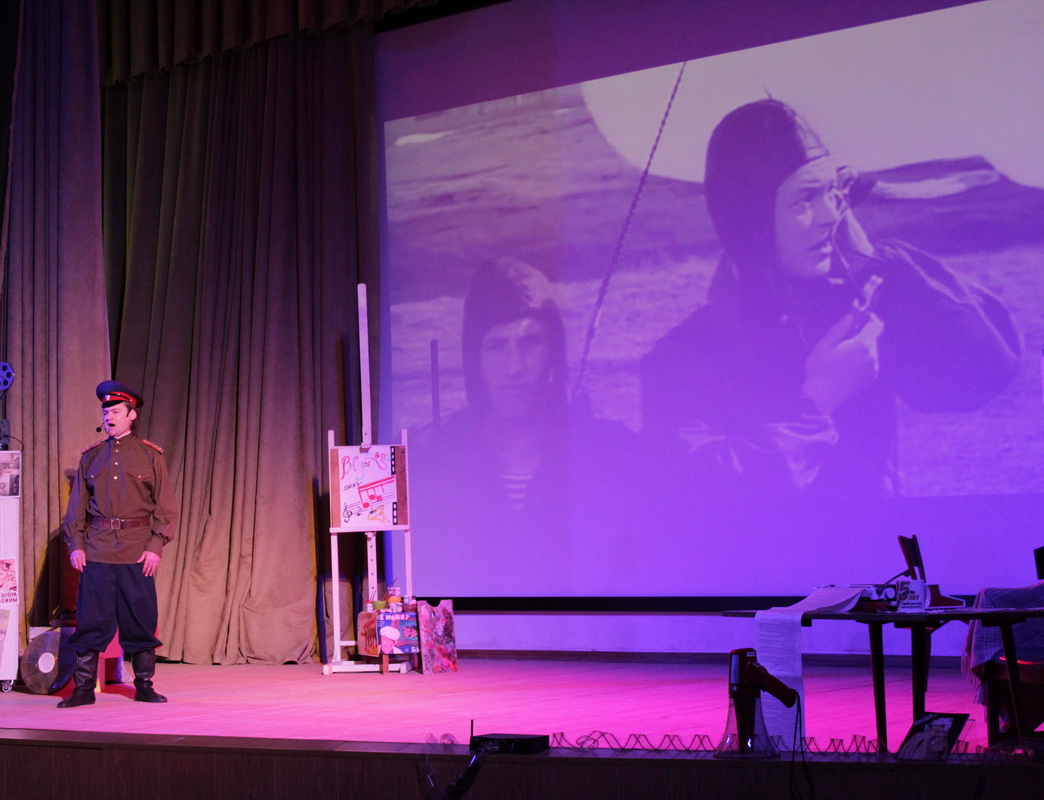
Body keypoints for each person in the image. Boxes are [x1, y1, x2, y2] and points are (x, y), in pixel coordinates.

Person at [638, 99, 1020, 501]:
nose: (829, 215)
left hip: (882, 542)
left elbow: (982, 374)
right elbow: (701, 498)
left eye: (833, 193)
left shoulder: (850, 317)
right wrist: (817, 402)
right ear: (751, 220)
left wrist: (876, 262)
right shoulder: (683, 357)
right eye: (805, 199)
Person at [414, 258, 645, 586]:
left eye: (530, 343)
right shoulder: (435, 462)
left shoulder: (614, 455)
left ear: (554, 351)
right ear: (474, 359)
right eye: (496, 346)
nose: (514, 367)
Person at [58, 380, 177, 707]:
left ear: (131, 415)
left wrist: (155, 546)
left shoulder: (150, 456)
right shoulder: (91, 457)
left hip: (137, 552)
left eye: (115, 411)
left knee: (140, 620)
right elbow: (76, 507)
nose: (108, 417)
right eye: (105, 411)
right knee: (91, 621)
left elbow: (165, 509)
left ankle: (144, 685)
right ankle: (84, 689)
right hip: (97, 550)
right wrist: (76, 544)